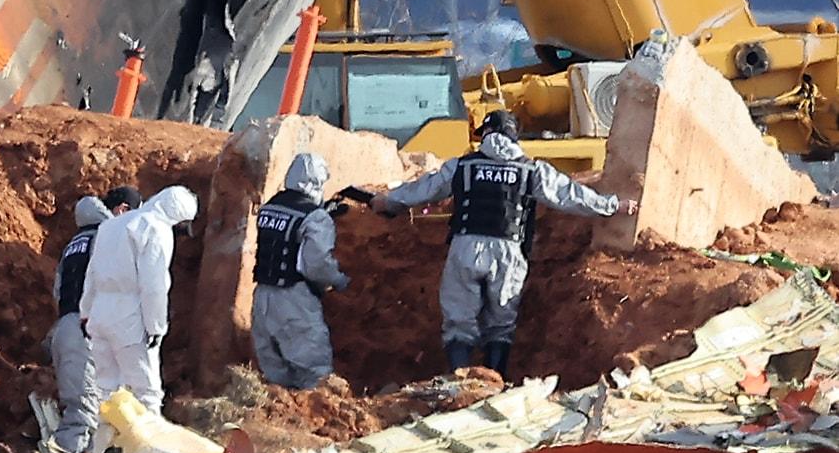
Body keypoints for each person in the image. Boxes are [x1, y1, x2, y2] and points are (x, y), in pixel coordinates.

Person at [373, 110, 636, 379]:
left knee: (458, 322)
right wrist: (613, 206)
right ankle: (495, 382)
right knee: (501, 325)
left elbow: (425, 189)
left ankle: (459, 381)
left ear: (486, 134)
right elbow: (570, 195)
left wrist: (388, 200)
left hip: (466, 247)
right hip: (509, 251)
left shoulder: (461, 166)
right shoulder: (531, 169)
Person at [80, 184, 198, 416]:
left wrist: (86, 312)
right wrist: (156, 326)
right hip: (130, 318)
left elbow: (91, 274)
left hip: (99, 314)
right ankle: (145, 450)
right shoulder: (156, 228)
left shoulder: (110, 225)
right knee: (147, 392)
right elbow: (153, 285)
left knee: (106, 389)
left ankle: (103, 447)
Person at [45, 185, 140, 453]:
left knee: (93, 410)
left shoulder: (75, 242)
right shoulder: (113, 237)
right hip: (90, 328)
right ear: (122, 210)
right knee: (84, 416)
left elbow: (58, 291)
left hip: (67, 326)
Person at [251, 153, 349, 390]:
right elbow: (316, 265)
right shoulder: (316, 218)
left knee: (275, 377)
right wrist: (339, 280)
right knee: (315, 375)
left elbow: (285, 233)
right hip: (294, 299)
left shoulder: (269, 207)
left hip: (263, 298)